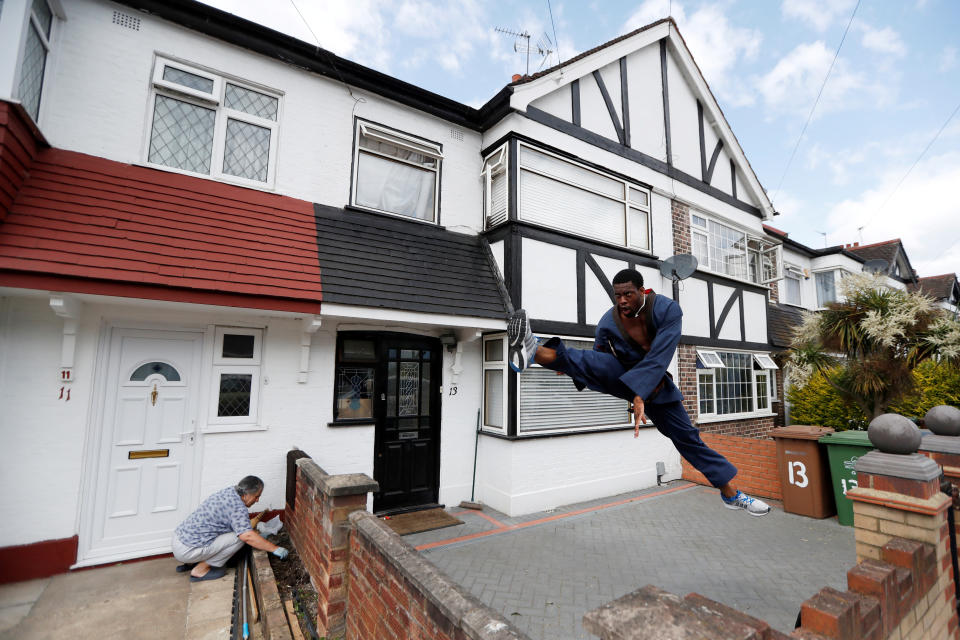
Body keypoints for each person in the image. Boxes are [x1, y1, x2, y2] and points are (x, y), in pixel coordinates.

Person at [507, 268, 770, 516]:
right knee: (586, 361)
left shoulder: (668, 310)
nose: (621, 300)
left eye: (627, 294)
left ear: (642, 291)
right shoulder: (607, 322)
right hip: (623, 375)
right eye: (617, 295)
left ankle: (731, 494)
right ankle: (535, 351)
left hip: (657, 387)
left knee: (688, 438)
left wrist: (639, 394)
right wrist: (578, 368)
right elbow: (601, 358)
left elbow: (659, 357)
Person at [172, 475, 289, 581]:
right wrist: (274, 548)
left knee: (237, 533)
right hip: (187, 550)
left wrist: (257, 537)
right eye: (256, 496)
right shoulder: (238, 507)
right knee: (239, 538)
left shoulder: (229, 492)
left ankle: (191, 563)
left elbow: (236, 524)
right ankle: (200, 570)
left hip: (179, 539)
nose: (257, 500)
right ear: (246, 494)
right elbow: (246, 536)